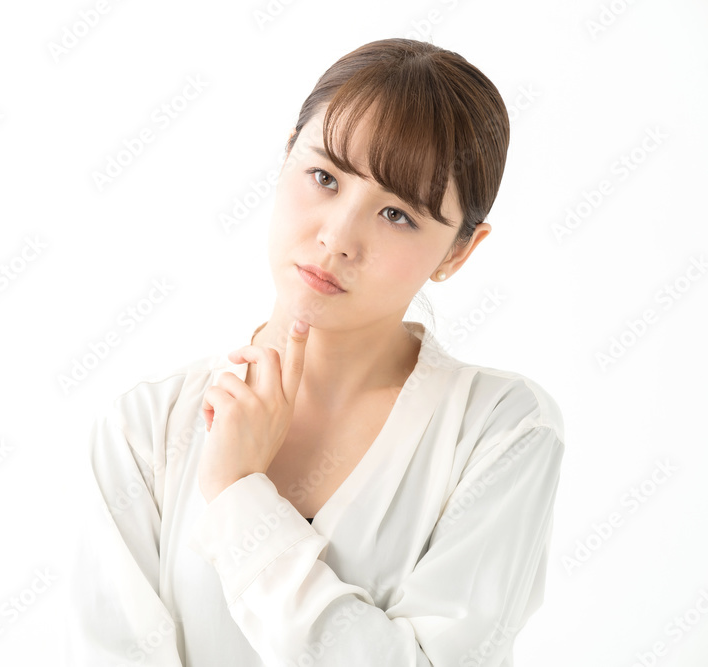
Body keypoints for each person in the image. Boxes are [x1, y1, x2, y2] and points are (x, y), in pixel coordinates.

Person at [66, 37, 565, 666]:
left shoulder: (501, 430)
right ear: (285, 159)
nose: (337, 237)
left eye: (397, 214)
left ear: (459, 252)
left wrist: (237, 494)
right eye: (325, 178)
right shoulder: (145, 429)